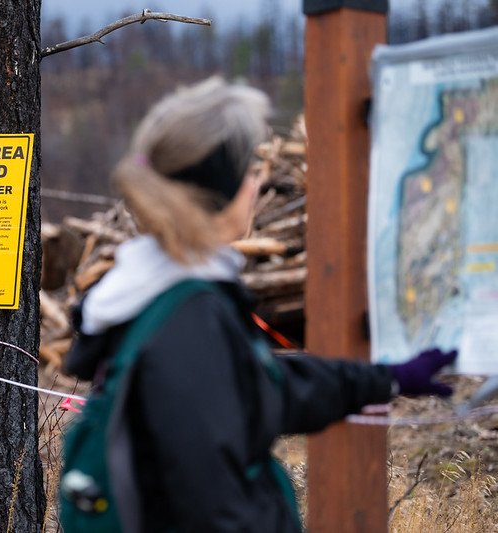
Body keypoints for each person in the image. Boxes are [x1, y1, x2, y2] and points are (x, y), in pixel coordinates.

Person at [61, 76, 457, 532]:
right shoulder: (190, 320)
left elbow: (260, 389)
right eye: (250, 170)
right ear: (218, 189)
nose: (260, 180)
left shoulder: (148, 293)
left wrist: (384, 380)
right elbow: (211, 503)